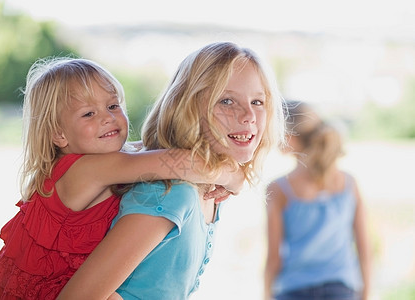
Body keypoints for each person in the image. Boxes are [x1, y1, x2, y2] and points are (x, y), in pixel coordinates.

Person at [0, 57, 246, 300]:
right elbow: (174, 162)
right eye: (88, 114)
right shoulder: (86, 169)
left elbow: (142, 148)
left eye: (113, 106)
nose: (107, 117)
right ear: (59, 134)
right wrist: (233, 176)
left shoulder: (105, 160)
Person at [57, 41, 285, 299]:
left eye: (258, 101)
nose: (248, 116)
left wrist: (234, 176)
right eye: (227, 101)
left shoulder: (209, 189)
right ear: (187, 108)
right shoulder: (170, 193)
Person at [264, 100, 371, 300]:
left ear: (291, 139)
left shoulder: (279, 189)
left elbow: (273, 258)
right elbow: (364, 248)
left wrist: (266, 294)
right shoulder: (349, 184)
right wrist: (365, 294)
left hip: (293, 290)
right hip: (342, 290)